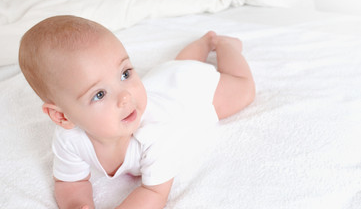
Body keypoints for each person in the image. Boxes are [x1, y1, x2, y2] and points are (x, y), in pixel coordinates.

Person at [18, 15, 255, 209]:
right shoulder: (69, 140)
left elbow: (154, 191)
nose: (125, 96)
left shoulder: (153, 134)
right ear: (62, 117)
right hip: (163, 81)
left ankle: (224, 45)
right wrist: (78, 204)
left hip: (193, 94)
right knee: (176, 67)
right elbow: (70, 182)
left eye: (125, 73)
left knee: (243, 89)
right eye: (99, 94)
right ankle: (203, 42)